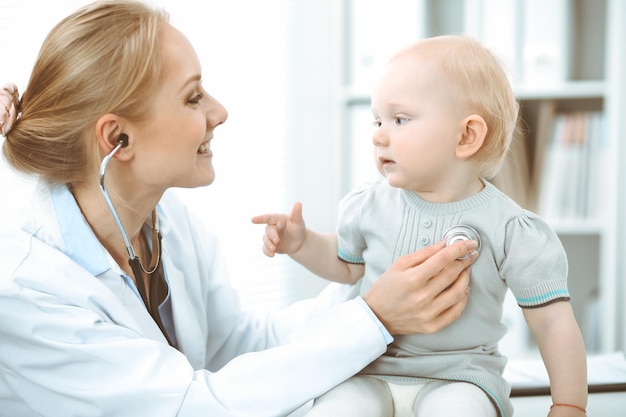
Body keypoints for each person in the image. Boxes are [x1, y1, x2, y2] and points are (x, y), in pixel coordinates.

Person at [0, 2, 478, 416]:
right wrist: (375, 318)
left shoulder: (163, 221)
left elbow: (236, 348)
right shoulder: (26, 288)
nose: (219, 111)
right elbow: (188, 405)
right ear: (116, 139)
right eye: (193, 97)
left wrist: (377, 282)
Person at [252, 35, 588, 417]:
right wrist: (302, 244)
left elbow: (552, 324)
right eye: (377, 120)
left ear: (466, 136)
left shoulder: (511, 229)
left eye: (400, 119)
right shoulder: (370, 205)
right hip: (368, 368)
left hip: (461, 377)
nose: (378, 134)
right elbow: (347, 267)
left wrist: (569, 403)